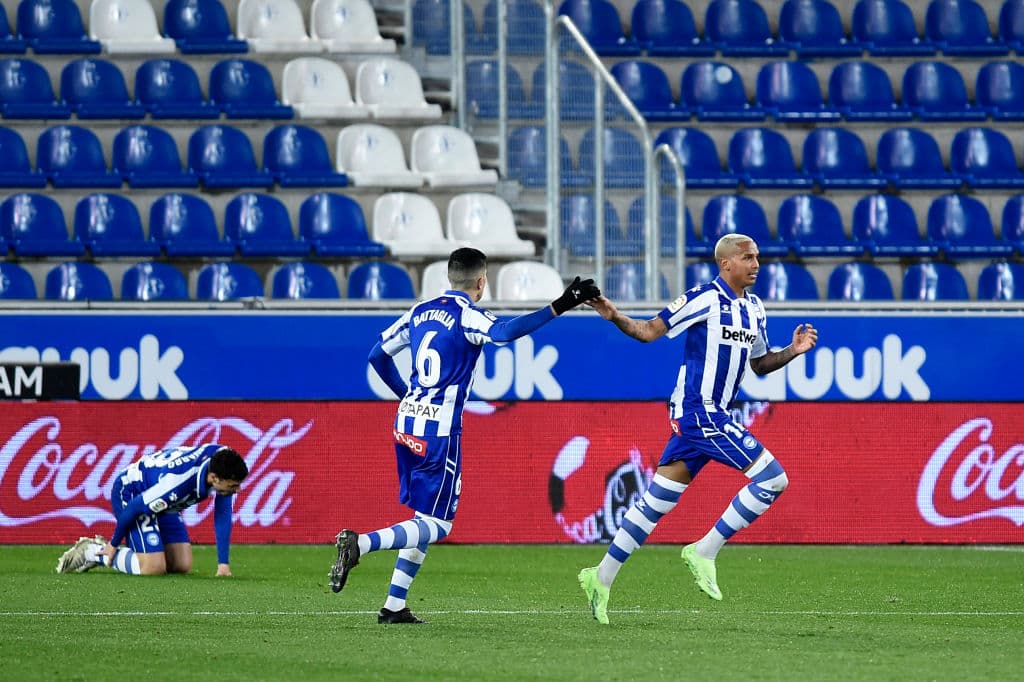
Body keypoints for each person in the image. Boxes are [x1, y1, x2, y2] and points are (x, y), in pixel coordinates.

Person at [328, 247, 600, 624]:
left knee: (423, 515)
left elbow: (377, 355)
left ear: (449, 277)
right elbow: (504, 333)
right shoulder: (467, 314)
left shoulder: (420, 311)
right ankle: (361, 543)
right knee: (439, 524)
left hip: (405, 422)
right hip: (439, 430)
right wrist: (560, 305)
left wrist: (406, 394)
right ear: (481, 280)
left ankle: (394, 605)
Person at [578, 234, 818, 624]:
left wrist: (792, 351)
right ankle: (704, 550)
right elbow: (649, 331)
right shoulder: (703, 298)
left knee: (655, 504)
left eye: (757, 257)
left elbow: (759, 364)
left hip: (712, 414)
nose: (756, 263)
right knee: (773, 479)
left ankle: (599, 578)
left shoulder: (755, 309)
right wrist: (615, 315)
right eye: (748, 257)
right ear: (726, 264)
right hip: (698, 412)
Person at [55, 444, 249, 577]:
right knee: (152, 567)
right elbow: (135, 507)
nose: (237, 489)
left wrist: (223, 565)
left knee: (181, 565)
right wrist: (113, 543)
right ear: (214, 478)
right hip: (133, 492)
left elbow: (223, 514)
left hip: (160, 498)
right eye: (234, 485)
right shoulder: (177, 483)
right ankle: (93, 551)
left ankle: (128, 550)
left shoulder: (223, 459)